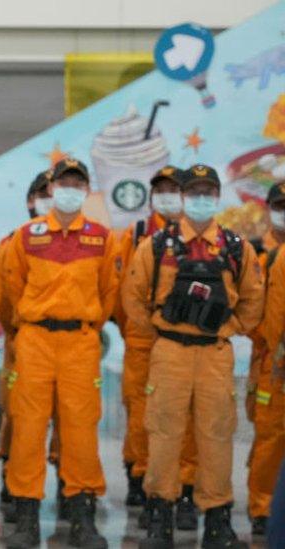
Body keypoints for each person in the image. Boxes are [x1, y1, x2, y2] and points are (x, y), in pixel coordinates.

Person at [125, 164, 262, 549]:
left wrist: (227, 327)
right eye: (194, 192)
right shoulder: (155, 245)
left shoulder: (237, 248)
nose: (201, 199)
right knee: (164, 434)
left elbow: (253, 302)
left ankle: (217, 520)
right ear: (183, 197)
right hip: (169, 353)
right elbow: (133, 298)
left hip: (215, 354)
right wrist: (162, 329)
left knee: (216, 435)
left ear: (217, 197)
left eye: (208, 192)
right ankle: (160, 517)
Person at [3, 158, 119, 549]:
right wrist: (32, 327)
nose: (70, 189)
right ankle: (26, 516)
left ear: (86, 190)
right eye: (63, 182)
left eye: (77, 183)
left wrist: (83, 328)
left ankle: (82, 516)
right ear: (51, 189)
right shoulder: (27, 236)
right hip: (34, 341)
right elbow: (12, 290)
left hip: (80, 345)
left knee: (81, 429)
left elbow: (109, 295)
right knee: (29, 430)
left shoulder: (103, 239)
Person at [115, 166, 200, 529]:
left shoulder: (201, 238)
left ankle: (184, 487)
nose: (167, 195)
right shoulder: (137, 235)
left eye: (174, 189)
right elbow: (120, 291)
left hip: (186, 345)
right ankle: (142, 477)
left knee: (186, 418)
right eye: (161, 189)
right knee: (141, 414)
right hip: (142, 341)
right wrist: (135, 330)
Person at [0, 169, 52, 519]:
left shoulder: (88, 241)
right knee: (19, 417)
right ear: (31, 201)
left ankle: (69, 489)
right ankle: (12, 478)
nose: (51, 198)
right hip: (24, 345)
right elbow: (1, 298)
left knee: (70, 421)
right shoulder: (13, 242)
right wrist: (20, 333)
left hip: (69, 348)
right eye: (44, 193)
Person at [244, 181, 285, 536]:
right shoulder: (257, 254)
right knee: (269, 438)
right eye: (280, 205)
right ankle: (262, 508)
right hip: (270, 362)